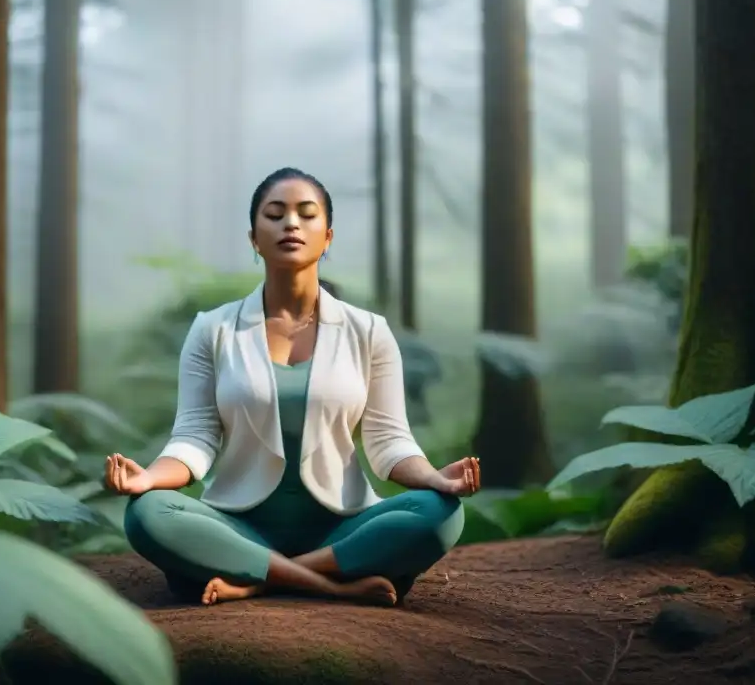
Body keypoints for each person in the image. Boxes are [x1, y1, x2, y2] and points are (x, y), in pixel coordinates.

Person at [103, 167, 481, 607]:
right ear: (254, 238)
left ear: (328, 236)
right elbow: (195, 437)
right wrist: (148, 477)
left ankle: (257, 580)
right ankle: (331, 585)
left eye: (307, 214)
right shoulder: (214, 329)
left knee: (440, 513)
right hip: (239, 524)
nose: (291, 225)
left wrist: (436, 478)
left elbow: (389, 441)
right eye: (275, 214)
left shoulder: (368, 331)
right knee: (148, 512)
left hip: (341, 526)